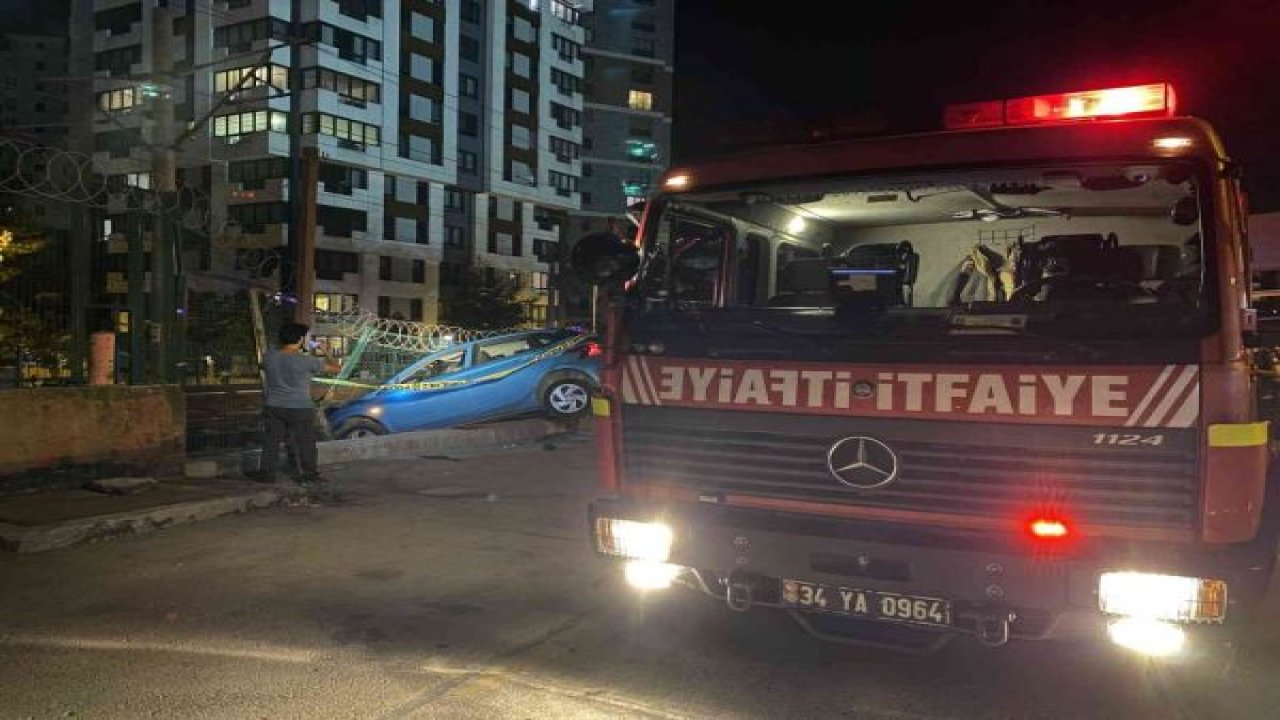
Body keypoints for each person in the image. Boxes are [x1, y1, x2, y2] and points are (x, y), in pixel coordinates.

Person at [253, 322, 341, 486]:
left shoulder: (269, 357)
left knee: (271, 442)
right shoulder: (307, 361)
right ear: (300, 339)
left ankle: (267, 474)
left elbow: (263, 366)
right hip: (300, 407)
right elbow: (337, 369)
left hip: (274, 406)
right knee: (305, 442)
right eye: (306, 337)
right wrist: (325, 351)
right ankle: (309, 476)